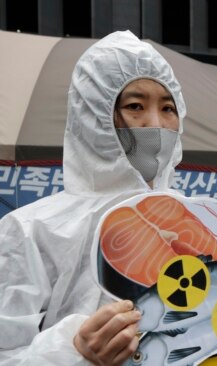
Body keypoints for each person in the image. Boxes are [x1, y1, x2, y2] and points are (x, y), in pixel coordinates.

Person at [0, 30, 185, 365]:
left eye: (168, 107)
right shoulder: (30, 230)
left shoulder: (195, 218)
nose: (155, 124)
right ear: (93, 115)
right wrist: (73, 351)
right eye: (135, 106)